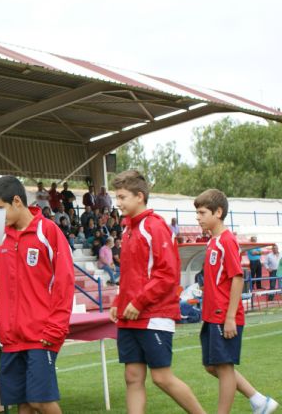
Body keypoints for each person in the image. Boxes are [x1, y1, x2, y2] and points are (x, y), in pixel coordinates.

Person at [0, 176, 74, 414]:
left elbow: (65, 282)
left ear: (17, 201)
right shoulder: (2, 237)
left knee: (41, 401)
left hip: (41, 334)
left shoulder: (47, 232)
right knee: (24, 403)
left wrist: (56, 327)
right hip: (11, 337)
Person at [110, 170, 204, 414]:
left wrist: (139, 302)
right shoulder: (128, 229)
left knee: (161, 377)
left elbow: (167, 274)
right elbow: (131, 274)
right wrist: (119, 301)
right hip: (130, 316)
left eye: (122, 197)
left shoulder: (155, 226)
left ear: (139, 196)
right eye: (116, 197)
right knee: (132, 376)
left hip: (153, 315)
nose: (117, 203)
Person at [194, 189, 278, 414]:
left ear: (218, 212)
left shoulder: (227, 241)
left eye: (202, 212)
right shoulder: (213, 241)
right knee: (212, 366)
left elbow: (237, 278)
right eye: (197, 213)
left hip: (223, 315)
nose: (198, 217)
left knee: (224, 367)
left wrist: (230, 316)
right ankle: (259, 400)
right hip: (211, 315)